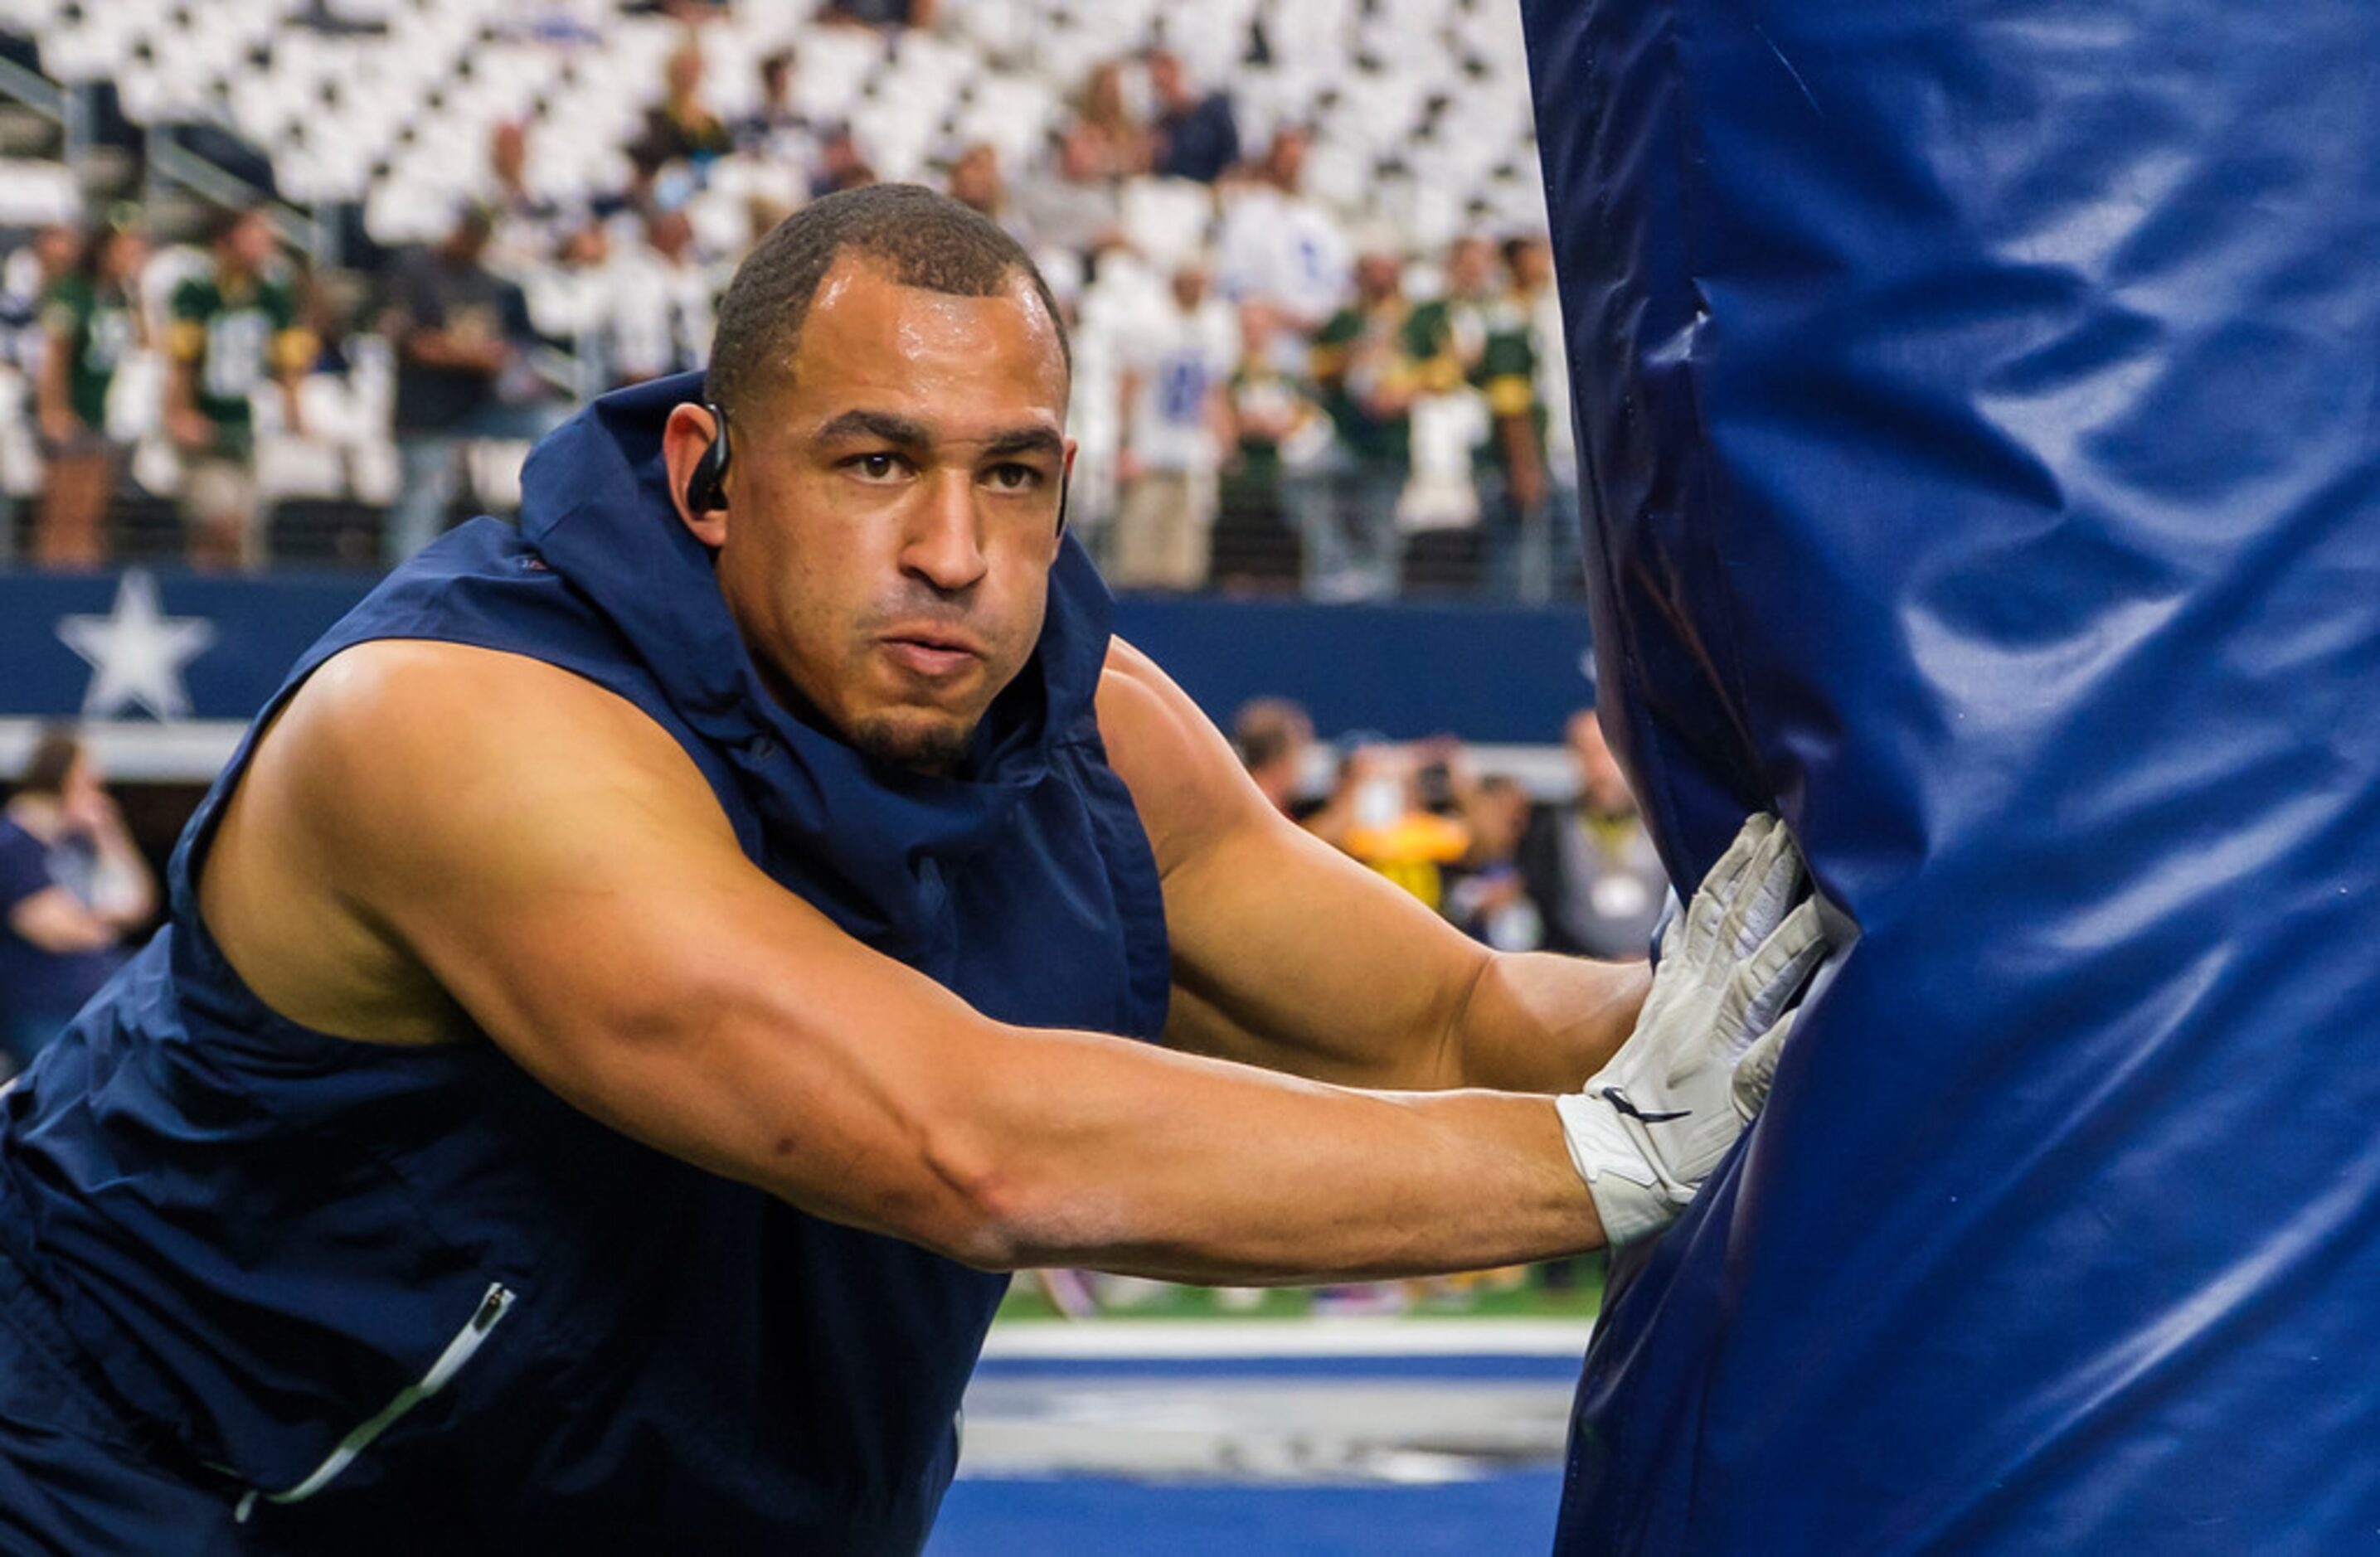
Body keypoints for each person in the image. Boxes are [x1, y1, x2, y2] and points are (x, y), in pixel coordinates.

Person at [0, 187, 1828, 1553]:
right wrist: (1599, 1166)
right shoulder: (457, 730)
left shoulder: (1099, 736)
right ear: (711, 478)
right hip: (152, 1502)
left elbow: (1450, 1011)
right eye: (876, 462)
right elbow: (961, 1141)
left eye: (1014, 477)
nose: (953, 549)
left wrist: (1818, 1007)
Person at [381, 206, 550, 563]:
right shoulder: (417, 271)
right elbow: (410, 343)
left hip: (476, 404)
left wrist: (488, 357)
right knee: (421, 502)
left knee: (555, 425)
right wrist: (469, 354)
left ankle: (543, 544)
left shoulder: (485, 281)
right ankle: (403, 590)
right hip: (424, 410)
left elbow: (500, 348)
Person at [164, 206, 313, 569]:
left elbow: (288, 364)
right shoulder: (196, 293)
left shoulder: (274, 295)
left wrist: (296, 417)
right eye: (255, 235)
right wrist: (179, 412)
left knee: (247, 530)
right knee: (217, 521)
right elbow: (182, 362)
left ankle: (235, 611)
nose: (267, 244)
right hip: (208, 426)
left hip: (250, 429)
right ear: (225, 242)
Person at [0, 730, 154, 1077]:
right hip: (42, 1010)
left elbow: (138, 903)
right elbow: (55, 930)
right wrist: (103, 921)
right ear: (62, 780)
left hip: (99, 1005)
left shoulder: (78, 841)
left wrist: (108, 832)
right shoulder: (12, 844)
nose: (98, 792)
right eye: (89, 783)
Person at [1110, 259, 1236, 590]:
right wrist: (1124, 445)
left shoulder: (1216, 323)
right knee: (1138, 562)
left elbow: (1214, 390)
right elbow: (1129, 384)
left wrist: (1225, 440)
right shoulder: (1149, 320)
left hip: (1192, 455)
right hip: (1149, 453)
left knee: (1185, 567)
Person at [32, 221, 148, 568]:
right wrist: (52, 410)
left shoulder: (119, 298)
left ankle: (82, 578)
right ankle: (52, 583)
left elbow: (146, 343)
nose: (133, 258)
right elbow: (55, 356)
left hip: (103, 410)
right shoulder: (72, 292)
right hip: (72, 409)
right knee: (62, 511)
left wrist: (137, 290)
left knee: (92, 511)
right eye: (126, 249)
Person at [1522, 707, 1671, 959]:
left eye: (1607, 751)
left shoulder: (1667, 823)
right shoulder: (1550, 831)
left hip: (1661, 968)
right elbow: (1543, 907)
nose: (1600, 767)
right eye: (1588, 754)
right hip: (1581, 971)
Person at [1146, 47, 1239, 185]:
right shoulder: (1161, 125)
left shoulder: (1214, 110)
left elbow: (1232, 159)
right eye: (1159, 85)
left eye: (1167, 82)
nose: (1165, 90)